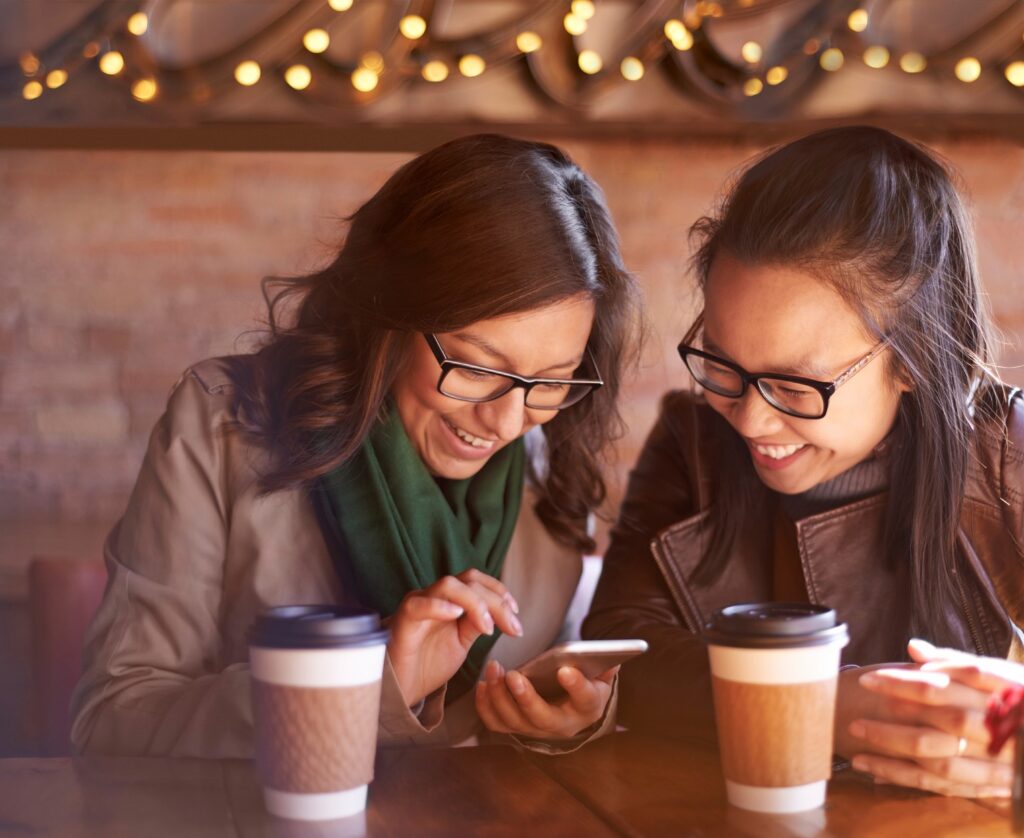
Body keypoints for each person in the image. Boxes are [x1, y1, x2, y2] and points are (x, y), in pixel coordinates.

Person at [71, 134, 641, 757]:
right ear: (389, 310)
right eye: (477, 366)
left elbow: (552, 699)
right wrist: (365, 683)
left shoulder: (553, 460)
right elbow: (114, 726)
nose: (508, 420)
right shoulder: (224, 429)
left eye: (552, 380)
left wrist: (572, 722)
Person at [584, 125, 1024, 797]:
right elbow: (619, 653)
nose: (751, 422)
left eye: (795, 386)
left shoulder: (1006, 453)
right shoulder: (692, 441)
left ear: (914, 360)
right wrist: (819, 706)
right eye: (724, 366)